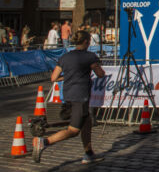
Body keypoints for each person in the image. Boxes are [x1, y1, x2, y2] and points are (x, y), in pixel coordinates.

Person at [33, 30, 106, 164]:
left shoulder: (65, 57)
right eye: (89, 41)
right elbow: (100, 74)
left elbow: (54, 78)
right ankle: (44, 142)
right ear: (86, 42)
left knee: (87, 122)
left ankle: (89, 153)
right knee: (73, 130)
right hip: (81, 96)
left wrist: (67, 76)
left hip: (68, 95)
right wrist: (98, 69)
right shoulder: (90, 56)